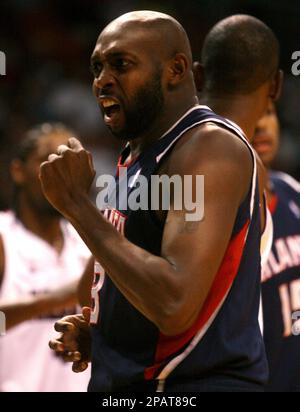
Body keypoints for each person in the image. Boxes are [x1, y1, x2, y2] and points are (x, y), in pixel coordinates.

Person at [45, 11, 280, 392]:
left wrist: (76, 205)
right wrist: (106, 338)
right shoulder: (138, 152)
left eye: (121, 64)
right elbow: (107, 279)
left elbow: (174, 303)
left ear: (176, 69)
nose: (102, 80)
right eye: (97, 67)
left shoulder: (207, 148)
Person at [0, 123, 91, 392]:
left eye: (67, 161)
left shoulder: (88, 239)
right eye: (47, 159)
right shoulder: (4, 237)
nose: (59, 171)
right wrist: (58, 298)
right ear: (18, 171)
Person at [253, 103, 300, 392]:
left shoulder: (291, 189)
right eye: (251, 112)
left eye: (269, 111)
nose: (261, 124)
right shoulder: (218, 219)